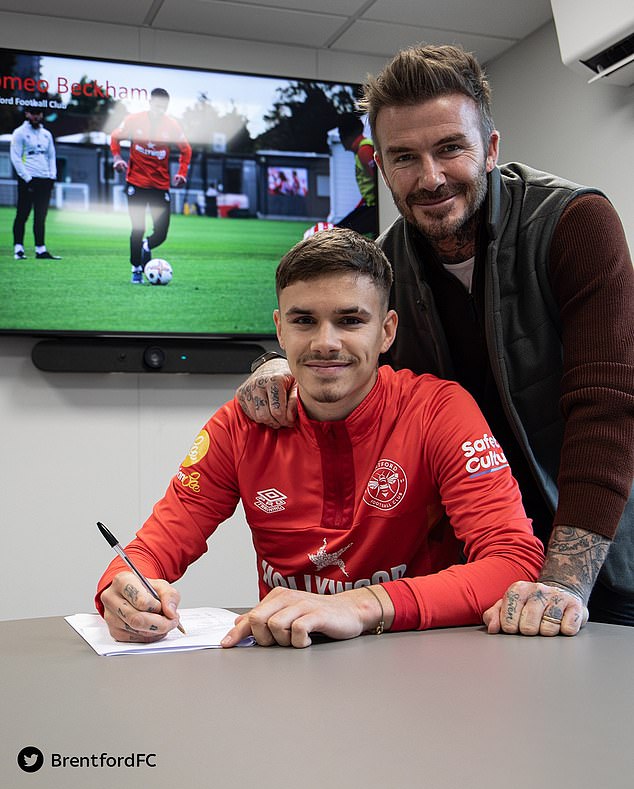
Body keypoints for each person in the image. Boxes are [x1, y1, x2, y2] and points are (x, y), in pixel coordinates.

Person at [236, 44, 634, 636]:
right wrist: (276, 368)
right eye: (404, 157)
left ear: (492, 149)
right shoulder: (385, 267)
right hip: (478, 572)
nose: (430, 177)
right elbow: (351, 361)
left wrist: (561, 581)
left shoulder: (574, 223)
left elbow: (605, 409)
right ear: (381, 166)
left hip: (600, 554)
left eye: (451, 147)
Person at [96, 228, 544, 648]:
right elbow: (149, 550)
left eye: (350, 320)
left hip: (421, 671)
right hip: (290, 673)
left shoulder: (439, 411)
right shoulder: (241, 424)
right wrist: (121, 589)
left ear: (386, 331)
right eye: (305, 321)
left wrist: (361, 606)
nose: (325, 343)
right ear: (279, 328)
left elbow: (513, 563)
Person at [110, 87, 192, 284]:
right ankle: (136, 269)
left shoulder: (172, 126)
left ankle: (146, 245)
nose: (160, 110)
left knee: (162, 232)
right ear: (150, 103)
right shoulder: (133, 120)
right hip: (136, 184)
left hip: (160, 186)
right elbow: (114, 137)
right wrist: (117, 158)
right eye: (157, 105)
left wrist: (182, 172)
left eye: (163, 107)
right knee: (137, 227)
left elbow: (186, 150)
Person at [10, 107, 61, 261]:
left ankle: (41, 250)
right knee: (23, 214)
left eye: (38, 114)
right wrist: (27, 178)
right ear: (27, 115)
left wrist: (52, 176)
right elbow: (16, 158)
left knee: (41, 216)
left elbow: (52, 156)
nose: (36, 117)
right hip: (28, 179)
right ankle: (18, 249)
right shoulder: (19, 133)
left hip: (44, 179)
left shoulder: (46, 134)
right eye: (33, 114)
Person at [335, 113, 378, 237]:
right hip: (370, 205)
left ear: (345, 136)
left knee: (340, 232)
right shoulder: (362, 150)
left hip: (374, 208)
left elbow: (378, 183)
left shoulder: (364, 151)